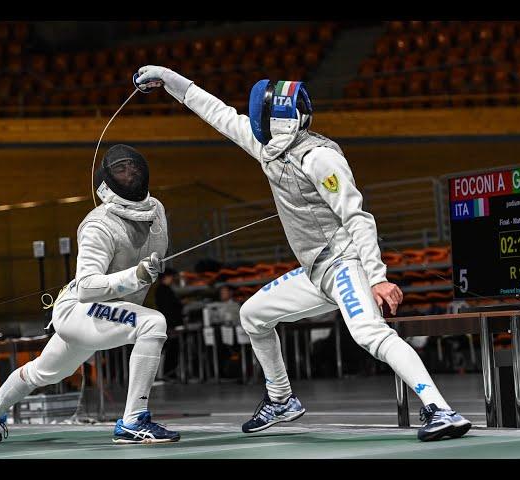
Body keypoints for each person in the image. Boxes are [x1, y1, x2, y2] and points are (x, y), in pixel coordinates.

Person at [134, 67, 471, 442]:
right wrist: (168, 79)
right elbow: (216, 111)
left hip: (344, 263)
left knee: (369, 334)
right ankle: (281, 399)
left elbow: (357, 216)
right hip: (315, 272)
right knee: (253, 315)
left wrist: (377, 277)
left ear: (272, 119)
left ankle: (441, 410)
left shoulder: (319, 158)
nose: (251, 118)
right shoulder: (266, 147)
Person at [0, 144, 180, 444]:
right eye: (120, 169)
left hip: (106, 312)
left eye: (133, 166)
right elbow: (87, 286)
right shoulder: (98, 225)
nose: (130, 172)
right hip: (80, 309)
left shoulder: (156, 210)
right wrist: (136, 275)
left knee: (45, 371)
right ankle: (133, 421)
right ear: (107, 181)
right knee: (153, 323)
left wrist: (150, 267)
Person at [154, 268, 183, 378]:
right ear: (166, 277)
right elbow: (168, 309)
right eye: (171, 277)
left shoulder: (161, 290)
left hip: (167, 324)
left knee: (168, 350)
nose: (172, 279)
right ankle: (168, 374)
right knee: (170, 350)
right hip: (170, 325)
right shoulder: (164, 290)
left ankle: (166, 374)